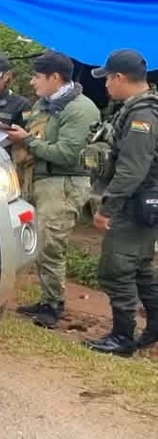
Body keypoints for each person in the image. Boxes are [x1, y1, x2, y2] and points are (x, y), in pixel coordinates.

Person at [8, 51, 100, 328]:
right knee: (35, 240)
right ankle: (47, 298)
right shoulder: (44, 105)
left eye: (37, 77)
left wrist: (27, 142)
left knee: (50, 244)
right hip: (37, 179)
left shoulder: (80, 109)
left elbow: (69, 154)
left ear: (55, 77)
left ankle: (54, 305)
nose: (33, 83)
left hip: (63, 184)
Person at [84, 49, 158, 355]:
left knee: (116, 270)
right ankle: (153, 328)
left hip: (134, 203)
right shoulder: (139, 108)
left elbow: (132, 169)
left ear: (119, 77)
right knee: (139, 267)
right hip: (143, 201)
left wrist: (106, 208)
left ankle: (123, 336)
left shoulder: (142, 115)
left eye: (108, 79)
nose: (105, 86)